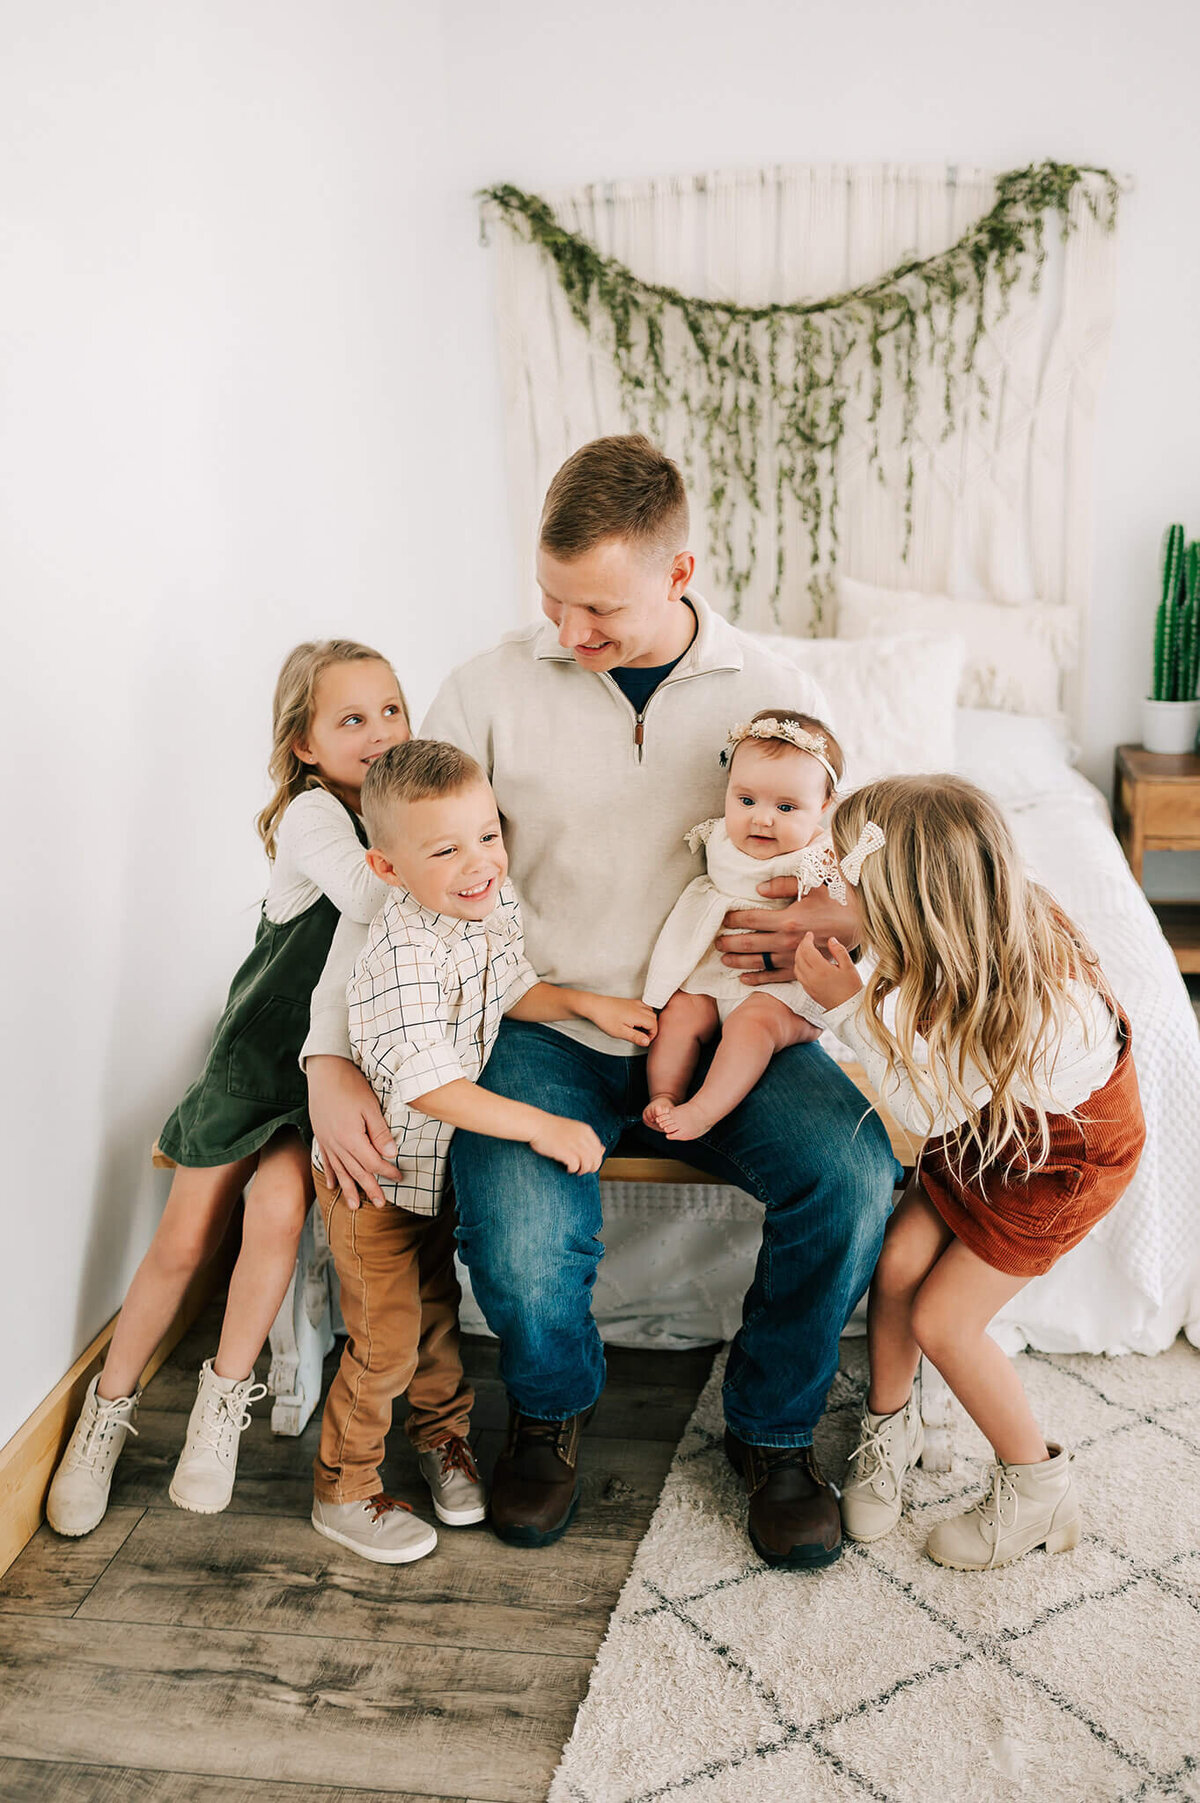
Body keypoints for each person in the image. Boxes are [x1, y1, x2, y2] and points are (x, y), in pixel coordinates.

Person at [305, 435, 899, 1571]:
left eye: (600, 610)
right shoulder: (484, 688)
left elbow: (857, 862)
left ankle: (772, 1431)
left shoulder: (779, 695)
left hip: (725, 1023)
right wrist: (329, 1056)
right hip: (539, 1024)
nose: (572, 633)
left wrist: (827, 949)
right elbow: (398, 880)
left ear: (681, 575)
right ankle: (551, 1413)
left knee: (854, 1172)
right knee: (520, 1242)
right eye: (554, 600)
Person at [46, 640, 411, 1538]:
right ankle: (106, 1411)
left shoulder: (402, 815)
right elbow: (369, 900)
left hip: (325, 1070)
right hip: (256, 1062)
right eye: (351, 718)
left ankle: (220, 1408)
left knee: (279, 1211)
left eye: (393, 710)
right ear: (304, 744)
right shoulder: (315, 817)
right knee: (183, 1237)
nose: (379, 732)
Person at [311, 738, 655, 1562]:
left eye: (488, 836)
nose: (479, 863)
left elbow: (506, 986)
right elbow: (431, 1084)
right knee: (386, 1338)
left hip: (432, 1176)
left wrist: (584, 1004)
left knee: (437, 1319)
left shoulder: (479, 907)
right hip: (378, 1180)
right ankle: (345, 1485)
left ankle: (443, 1440)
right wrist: (542, 1124)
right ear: (389, 870)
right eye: (445, 849)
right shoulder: (401, 951)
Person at [794, 776, 1146, 1570]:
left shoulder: (1038, 1010)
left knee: (943, 1320)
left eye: (852, 881)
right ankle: (890, 1424)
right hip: (986, 1120)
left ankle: (1038, 1487)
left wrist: (848, 1008)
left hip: (1058, 1159)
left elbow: (927, 1109)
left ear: (907, 902)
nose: (837, 885)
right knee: (899, 1263)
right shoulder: (960, 917)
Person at [642, 708, 846, 1141]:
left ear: (824, 806)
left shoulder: (823, 854)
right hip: (713, 968)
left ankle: (704, 1110)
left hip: (776, 988)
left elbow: (851, 909)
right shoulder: (717, 834)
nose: (762, 818)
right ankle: (664, 1094)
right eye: (746, 800)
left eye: (787, 807)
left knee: (750, 1026)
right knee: (679, 1013)